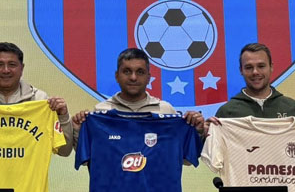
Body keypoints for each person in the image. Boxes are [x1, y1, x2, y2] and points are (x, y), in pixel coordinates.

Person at [70, 47, 206, 139]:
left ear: (148, 77)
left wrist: (198, 131)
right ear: (117, 76)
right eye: (127, 71)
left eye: (140, 72)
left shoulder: (165, 110)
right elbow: (90, 157)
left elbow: (184, 158)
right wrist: (77, 130)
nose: (133, 77)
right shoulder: (101, 111)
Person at [212, 43, 295, 140]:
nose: (255, 72)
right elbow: (214, 154)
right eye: (249, 67)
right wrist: (204, 133)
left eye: (261, 66)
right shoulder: (227, 112)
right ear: (241, 70)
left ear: (271, 67)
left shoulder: (293, 109)